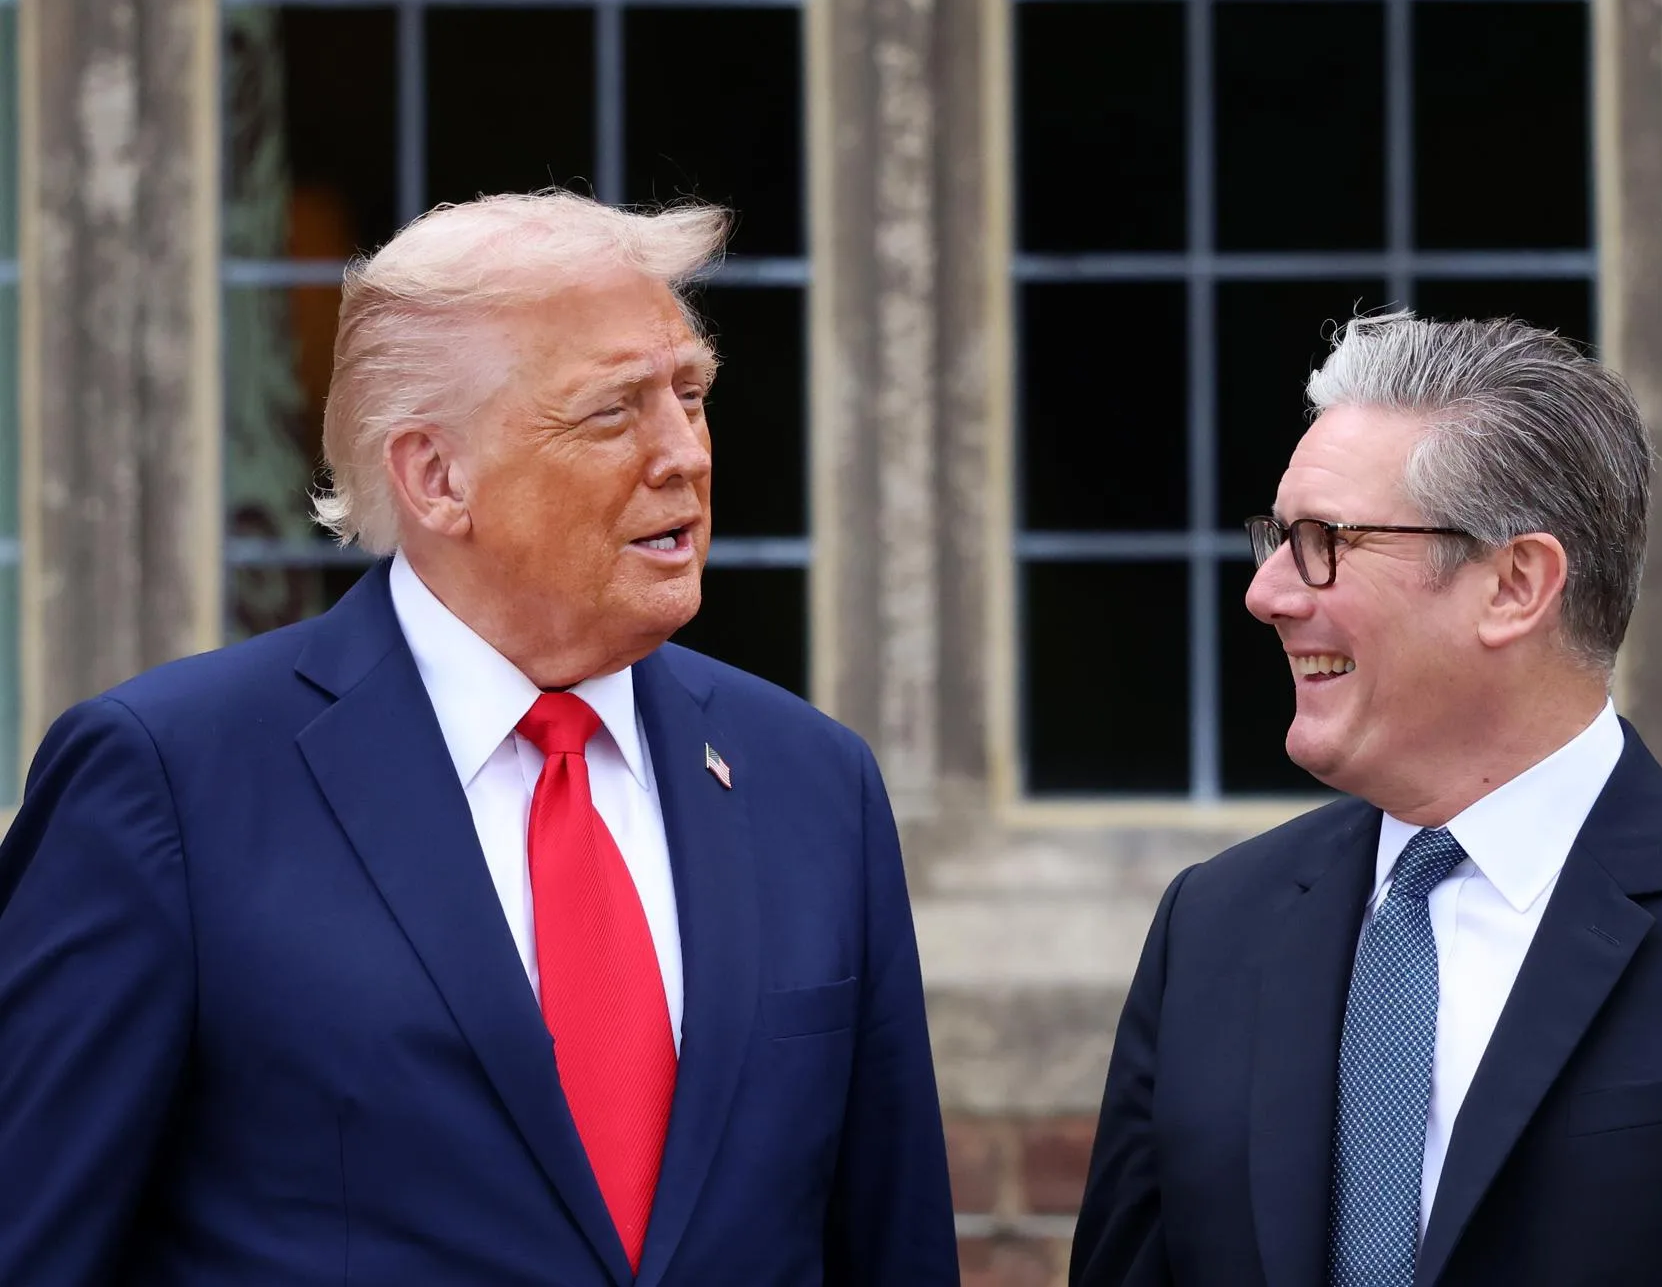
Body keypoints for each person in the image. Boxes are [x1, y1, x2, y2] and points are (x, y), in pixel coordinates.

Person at [0, 190, 959, 1287]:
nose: (682, 454)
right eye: (613, 412)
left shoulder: (813, 784)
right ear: (434, 476)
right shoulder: (167, 781)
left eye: (689, 395)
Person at [1070, 312, 1662, 1286]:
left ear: (1516, 584)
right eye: (1275, 537)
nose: (1267, 593)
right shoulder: (1211, 927)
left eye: (1321, 541)